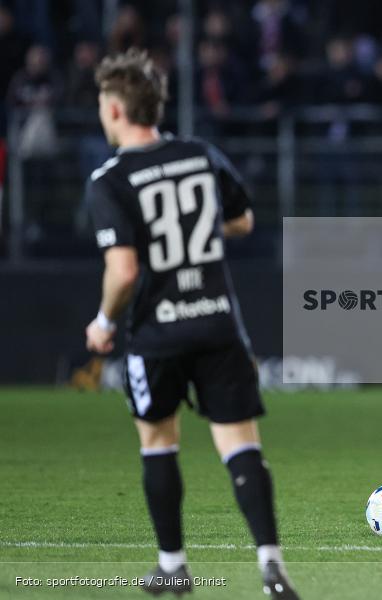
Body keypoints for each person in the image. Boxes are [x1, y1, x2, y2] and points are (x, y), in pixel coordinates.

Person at [83, 49, 300, 599]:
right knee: (240, 445)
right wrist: (195, 232)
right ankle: (271, 564)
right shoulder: (199, 154)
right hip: (217, 321)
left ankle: (173, 566)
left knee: (158, 442)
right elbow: (243, 220)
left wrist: (105, 320)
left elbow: (124, 269)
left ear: (114, 111)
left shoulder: (109, 179)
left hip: (157, 331)